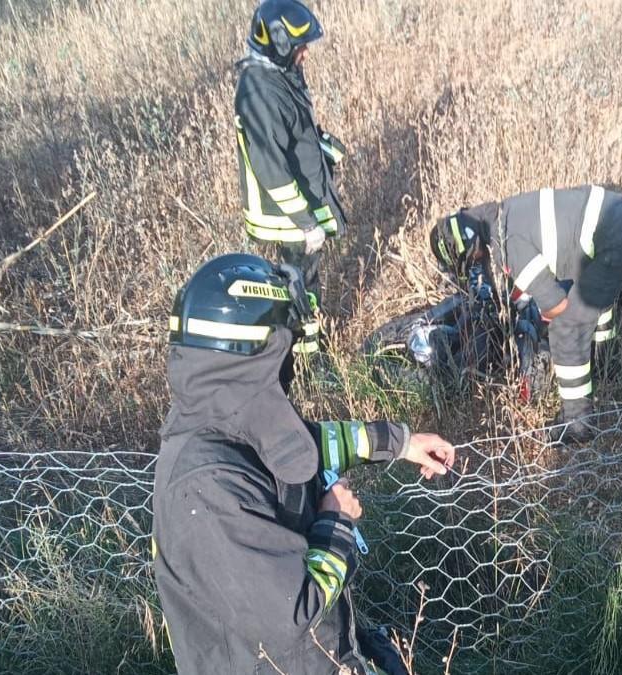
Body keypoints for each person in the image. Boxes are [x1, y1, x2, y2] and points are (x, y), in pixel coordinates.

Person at [153, 254, 456, 674]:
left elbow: (296, 452)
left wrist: (400, 442)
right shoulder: (207, 486)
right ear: (256, 353)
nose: (290, 366)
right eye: (284, 352)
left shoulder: (228, 420)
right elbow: (292, 614)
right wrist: (337, 524)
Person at [429, 185, 622, 443]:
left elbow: (557, 308)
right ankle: (607, 365)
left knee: (566, 329)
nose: (477, 262)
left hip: (620, 239)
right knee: (594, 303)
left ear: (467, 248)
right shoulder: (507, 214)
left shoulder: (506, 244)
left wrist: (543, 328)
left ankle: (576, 425)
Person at [234, 0, 348, 356]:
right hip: (286, 217)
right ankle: (307, 362)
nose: (305, 56)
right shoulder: (258, 92)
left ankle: (305, 350)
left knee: (305, 281)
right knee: (300, 287)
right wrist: (305, 223)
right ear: (281, 45)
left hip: (302, 206)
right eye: (300, 48)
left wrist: (323, 146)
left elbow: (294, 130)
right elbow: (271, 168)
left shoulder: (280, 73)